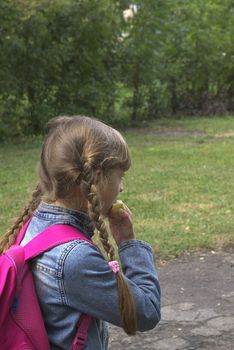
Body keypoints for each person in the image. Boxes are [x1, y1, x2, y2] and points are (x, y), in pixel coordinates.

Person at [0, 116, 161, 349]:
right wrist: (128, 242)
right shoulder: (74, 258)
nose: (122, 187)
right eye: (120, 176)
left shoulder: (33, 226)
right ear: (96, 176)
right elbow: (146, 311)